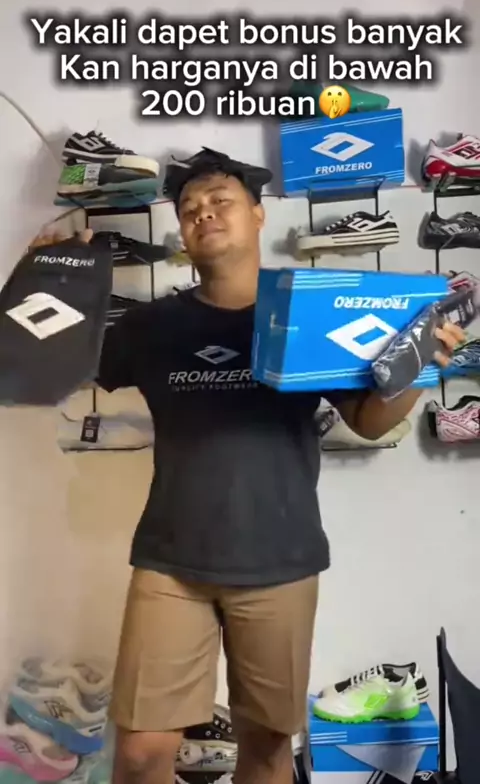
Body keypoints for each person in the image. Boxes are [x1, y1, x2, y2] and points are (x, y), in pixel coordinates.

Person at [31, 148, 464, 784]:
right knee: (142, 752)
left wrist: (423, 366)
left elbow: (370, 420)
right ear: (182, 232)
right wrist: (45, 281)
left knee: (264, 748)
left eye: (220, 201)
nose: (203, 213)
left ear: (258, 215)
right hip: (171, 563)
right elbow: (49, 367)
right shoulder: (150, 327)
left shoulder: (310, 312)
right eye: (189, 208)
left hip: (279, 562)